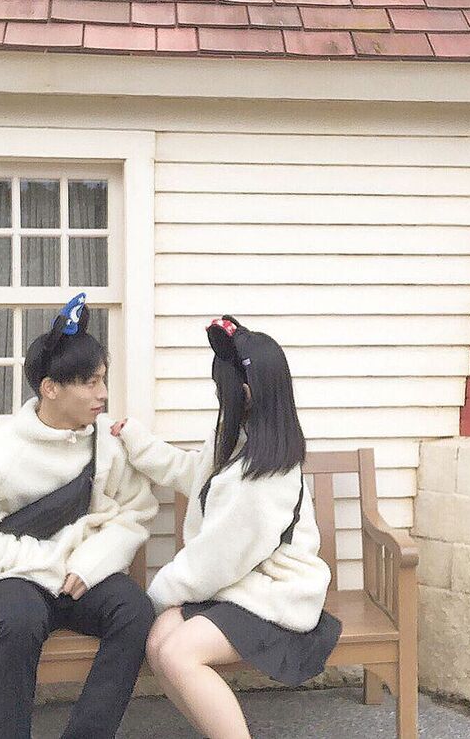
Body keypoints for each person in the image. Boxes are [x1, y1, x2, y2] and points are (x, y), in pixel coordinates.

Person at [0, 294, 157, 739]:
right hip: (17, 578)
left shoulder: (107, 444)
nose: (103, 394)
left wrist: (92, 562)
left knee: (135, 610)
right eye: (89, 382)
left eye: (103, 380)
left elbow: (134, 511)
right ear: (50, 388)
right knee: (20, 623)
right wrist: (44, 562)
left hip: (84, 576)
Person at [112, 316, 342, 739]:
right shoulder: (236, 440)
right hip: (239, 587)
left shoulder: (266, 477)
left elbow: (216, 559)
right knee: (159, 641)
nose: (219, 394)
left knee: (178, 653)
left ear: (246, 394)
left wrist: (154, 597)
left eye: (222, 387)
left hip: (276, 596)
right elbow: (191, 473)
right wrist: (137, 441)